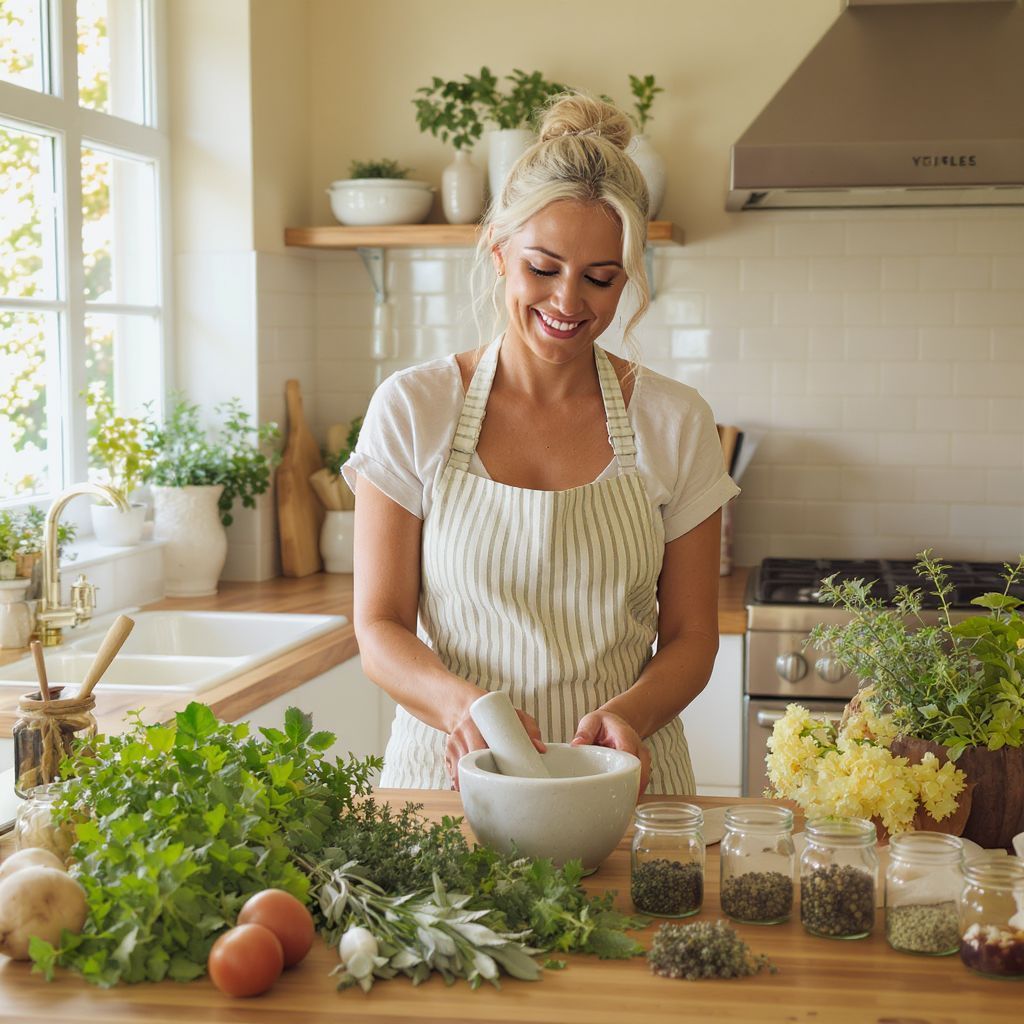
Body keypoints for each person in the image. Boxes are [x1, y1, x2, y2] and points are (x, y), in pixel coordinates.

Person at [343, 92, 739, 795]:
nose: (567, 303)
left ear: (628, 276)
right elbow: (379, 627)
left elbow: (690, 638)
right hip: (450, 786)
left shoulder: (674, 422)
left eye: (600, 278)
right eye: (543, 268)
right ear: (498, 250)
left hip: (624, 786)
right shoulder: (414, 408)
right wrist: (462, 708)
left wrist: (630, 715)